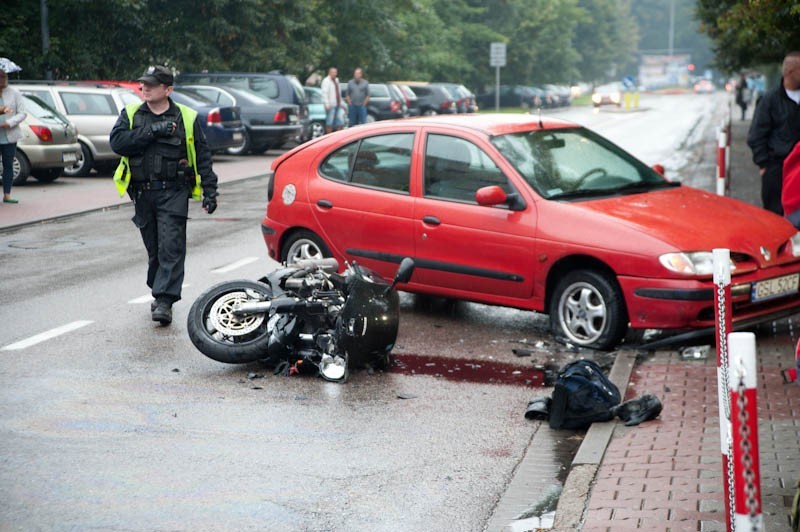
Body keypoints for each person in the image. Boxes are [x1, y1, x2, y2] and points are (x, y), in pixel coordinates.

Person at [110, 65, 218, 325]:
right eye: (143, 84)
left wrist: (210, 190)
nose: (144, 88)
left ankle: (165, 300)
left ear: (167, 89)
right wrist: (154, 130)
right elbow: (118, 143)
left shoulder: (187, 117)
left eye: (151, 84)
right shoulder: (132, 113)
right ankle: (159, 291)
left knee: (171, 246)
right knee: (155, 250)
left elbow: (202, 155)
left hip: (173, 192)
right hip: (143, 193)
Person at [747, 51, 800, 216]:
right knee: (774, 216)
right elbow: (756, 134)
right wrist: (763, 163)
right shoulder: (770, 100)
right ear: (790, 72)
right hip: (777, 167)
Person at [0, 70, 27, 204]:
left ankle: (7, 194)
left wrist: (9, 123)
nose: (2, 79)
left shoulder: (14, 93)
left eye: (4, 76)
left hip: (9, 135)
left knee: (8, 164)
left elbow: (22, 113)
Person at [320, 67, 343, 134]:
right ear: (329, 73)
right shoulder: (326, 81)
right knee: (329, 122)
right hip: (330, 105)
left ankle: (339, 137)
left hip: (338, 104)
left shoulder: (337, 80)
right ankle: (329, 137)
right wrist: (326, 104)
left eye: (335, 72)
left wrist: (341, 103)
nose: (335, 74)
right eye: (333, 72)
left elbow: (339, 92)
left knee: (340, 122)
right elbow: (324, 93)